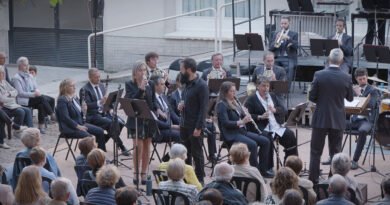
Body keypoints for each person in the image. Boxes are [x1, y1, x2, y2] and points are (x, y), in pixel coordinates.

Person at [308, 48, 354, 184]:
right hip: (338, 119)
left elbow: (312, 96)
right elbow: (350, 98)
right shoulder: (347, 77)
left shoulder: (319, 74)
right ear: (341, 61)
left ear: (329, 59)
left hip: (320, 118)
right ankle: (332, 180)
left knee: (315, 152)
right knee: (335, 153)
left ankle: (313, 180)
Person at [216, 81, 271, 177]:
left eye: (234, 91)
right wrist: (242, 122)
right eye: (232, 91)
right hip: (231, 134)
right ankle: (254, 173)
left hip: (241, 132)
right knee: (253, 145)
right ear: (225, 92)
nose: (234, 93)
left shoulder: (235, 103)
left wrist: (245, 113)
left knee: (265, 141)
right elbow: (225, 123)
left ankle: (263, 170)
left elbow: (240, 116)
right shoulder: (222, 105)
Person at [244, 76, 298, 169]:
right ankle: (267, 167)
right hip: (261, 127)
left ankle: (291, 165)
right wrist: (260, 117)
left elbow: (283, 109)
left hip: (276, 126)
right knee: (267, 139)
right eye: (263, 86)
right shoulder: (251, 99)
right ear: (257, 86)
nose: (266, 89)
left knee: (290, 135)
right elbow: (246, 115)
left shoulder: (272, 96)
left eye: (267, 86)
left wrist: (275, 110)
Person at [80, 68, 129, 156]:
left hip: (104, 113)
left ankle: (103, 141)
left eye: (99, 77)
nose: (99, 79)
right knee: (112, 124)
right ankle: (121, 146)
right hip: (92, 116)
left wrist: (110, 108)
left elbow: (107, 102)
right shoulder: (84, 89)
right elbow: (87, 106)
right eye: (96, 77)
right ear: (90, 78)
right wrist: (100, 102)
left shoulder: (101, 85)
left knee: (121, 122)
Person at [178, 58, 209, 183]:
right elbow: (187, 102)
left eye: (182, 70)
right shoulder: (186, 84)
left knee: (197, 154)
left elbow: (203, 109)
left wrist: (199, 127)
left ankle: (200, 180)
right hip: (184, 124)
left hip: (194, 126)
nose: (180, 72)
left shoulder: (201, 86)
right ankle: (187, 178)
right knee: (185, 154)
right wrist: (181, 106)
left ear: (189, 70)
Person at [125, 61, 156, 185]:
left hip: (148, 119)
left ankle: (144, 172)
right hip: (135, 119)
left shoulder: (151, 83)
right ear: (135, 72)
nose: (143, 73)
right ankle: (136, 172)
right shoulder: (129, 84)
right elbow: (131, 100)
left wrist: (157, 110)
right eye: (140, 70)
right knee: (138, 147)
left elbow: (152, 101)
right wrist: (141, 88)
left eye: (144, 70)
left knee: (147, 146)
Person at [56, 78, 106, 151]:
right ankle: (90, 158)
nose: (74, 87)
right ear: (65, 88)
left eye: (74, 85)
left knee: (100, 131)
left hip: (80, 124)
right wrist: (78, 126)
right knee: (89, 138)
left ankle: (100, 153)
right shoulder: (62, 100)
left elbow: (80, 114)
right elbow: (65, 118)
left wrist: (84, 110)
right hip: (70, 128)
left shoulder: (74, 98)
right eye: (72, 86)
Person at [12, 56, 55, 134]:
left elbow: (36, 87)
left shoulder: (29, 75)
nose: (27, 67)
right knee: (41, 99)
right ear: (20, 66)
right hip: (24, 100)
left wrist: (36, 91)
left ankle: (40, 126)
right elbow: (20, 93)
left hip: (33, 98)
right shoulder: (16, 78)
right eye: (25, 65)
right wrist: (34, 94)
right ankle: (52, 114)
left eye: (27, 64)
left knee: (41, 104)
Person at [348, 68, 380, 170]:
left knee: (362, 131)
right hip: (354, 120)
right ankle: (335, 158)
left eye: (364, 78)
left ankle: (355, 160)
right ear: (356, 79)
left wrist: (360, 95)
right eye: (360, 79)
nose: (362, 81)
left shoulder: (373, 91)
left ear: (367, 77)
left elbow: (371, 105)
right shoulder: (353, 89)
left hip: (366, 121)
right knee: (336, 124)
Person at [0, 65, 33, 131]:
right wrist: (12, 98)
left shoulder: (4, 82)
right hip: (5, 107)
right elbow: (2, 99)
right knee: (20, 111)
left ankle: (30, 130)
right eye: (2, 73)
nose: (4, 74)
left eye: (4, 72)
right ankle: (17, 131)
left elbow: (16, 91)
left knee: (28, 110)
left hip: (11, 105)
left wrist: (9, 93)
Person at [269, 16, 298, 85]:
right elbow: (270, 48)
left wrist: (288, 38)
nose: (283, 25)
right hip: (277, 57)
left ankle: (285, 90)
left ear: (289, 23)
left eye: (285, 23)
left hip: (289, 58)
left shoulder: (294, 34)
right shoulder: (276, 33)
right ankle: (274, 88)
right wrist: (276, 40)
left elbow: (296, 46)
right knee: (271, 68)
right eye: (282, 23)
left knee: (289, 68)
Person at [152, 76, 181, 143]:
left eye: (164, 84)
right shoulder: (152, 100)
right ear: (155, 86)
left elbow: (172, 113)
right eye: (162, 84)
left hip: (169, 128)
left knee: (188, 131)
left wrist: (182, 123)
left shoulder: (164, 97)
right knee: (180, 135)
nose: (165, 86)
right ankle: (176, 153)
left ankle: (186, 153)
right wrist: (172, 126)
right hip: (159, 131)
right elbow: (156, 122)